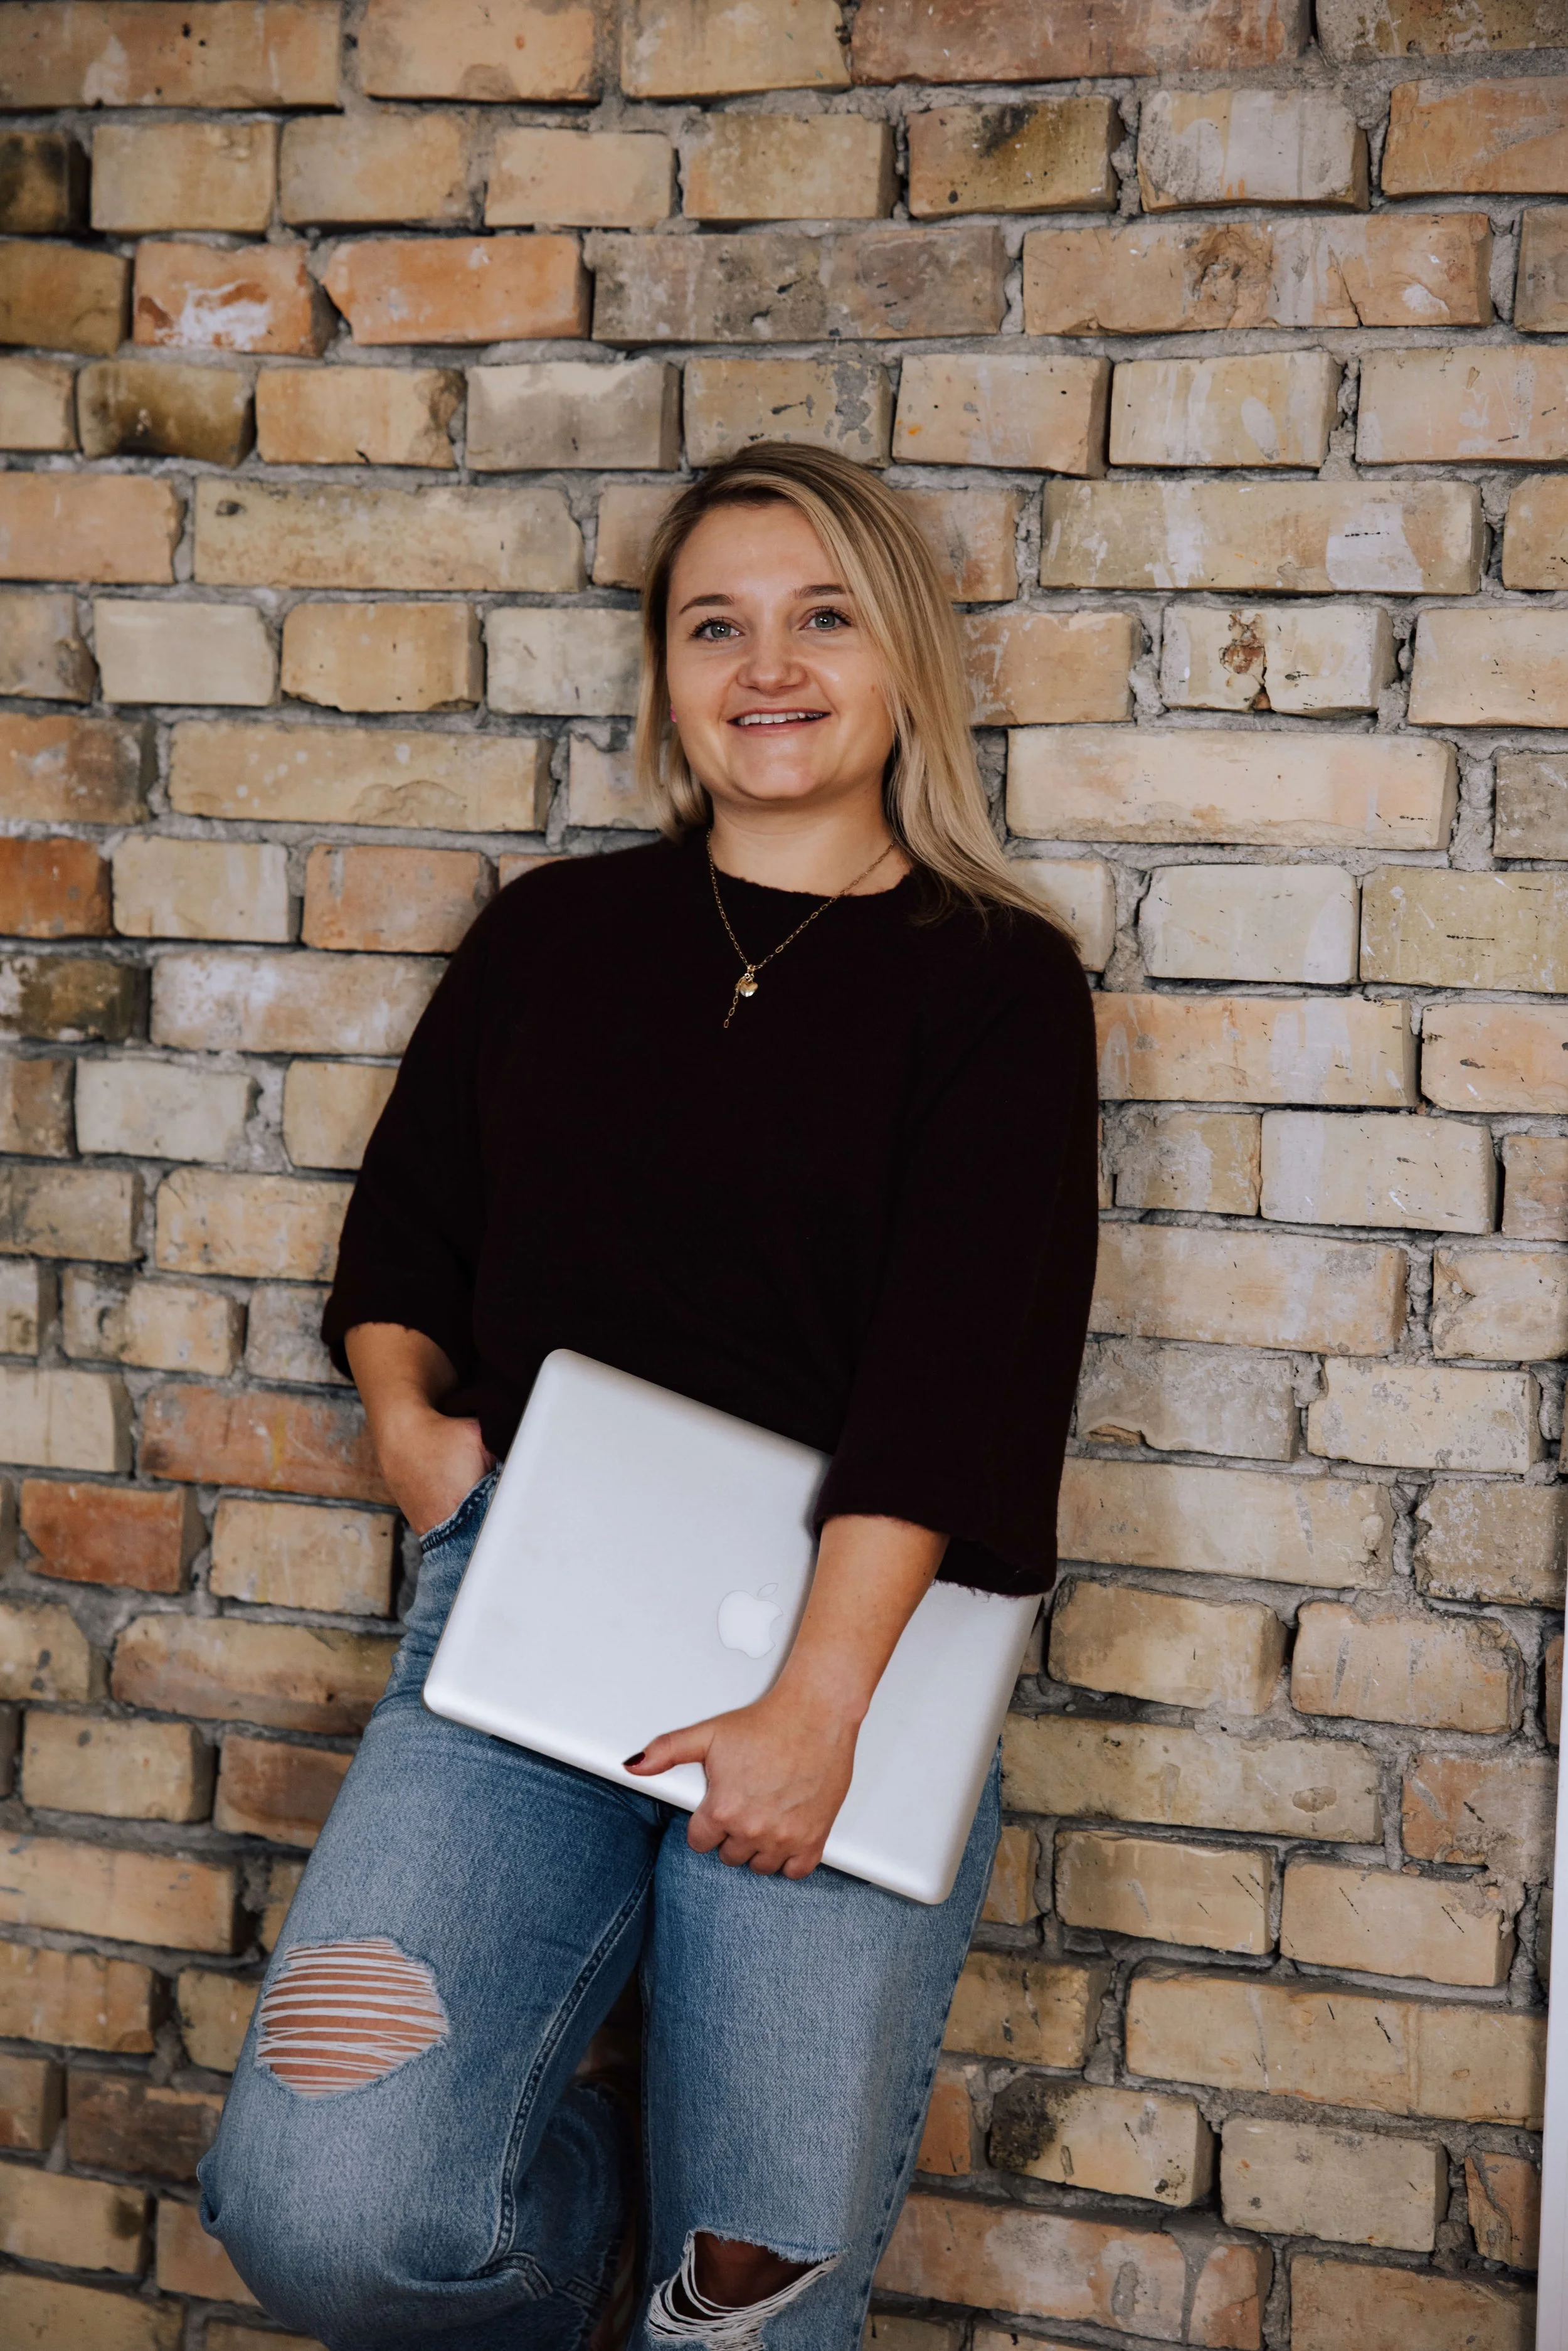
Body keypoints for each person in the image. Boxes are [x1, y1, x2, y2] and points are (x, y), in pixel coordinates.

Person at [197, 442, 1099, 2351]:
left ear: (903, 660)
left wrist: (813, 1707)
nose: (766, 666)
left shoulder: (996, 985)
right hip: (516, 1611)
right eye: (716, 625)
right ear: (666, 674)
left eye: (819, 616)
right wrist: (409, 1431)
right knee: (324, 2209)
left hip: (851, 1665)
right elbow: (403, 1242)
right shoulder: (553, 937)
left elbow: (956, 1375)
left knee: (744, 2310)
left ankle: (677, 2252)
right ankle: (587, 2209)